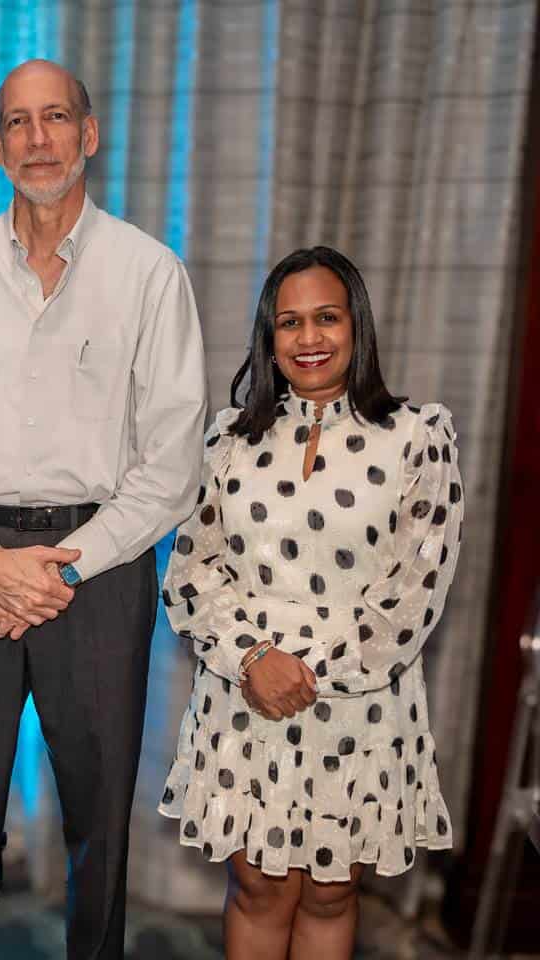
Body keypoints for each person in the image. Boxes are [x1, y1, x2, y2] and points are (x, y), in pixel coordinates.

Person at [0, 60, 208, 958]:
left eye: (55, 118)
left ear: (89, 135)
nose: (37, 139)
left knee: (100, 829)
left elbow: (173, 459)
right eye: (18, 124)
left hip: (98, 575)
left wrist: (60, 565)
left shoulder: (148, 272)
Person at [158, 246, 463, 959]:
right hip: (246, 693)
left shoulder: (419, 436)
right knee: (261, 890)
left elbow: (416, 593)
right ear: (269, 339)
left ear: (357, 325)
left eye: (326, 317)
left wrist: (312, 674)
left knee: (330, 894)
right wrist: (255, 661)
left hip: (360, 706)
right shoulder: (229, 439)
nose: (309, 338)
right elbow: (190, 574)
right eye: (288, 323)